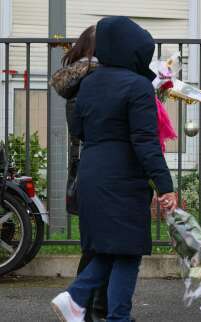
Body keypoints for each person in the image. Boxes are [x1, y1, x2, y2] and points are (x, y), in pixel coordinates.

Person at [50, 16, 177, 322]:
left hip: (91, 173)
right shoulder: (138, 87)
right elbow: (145, 142)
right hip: (122, 178)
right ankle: (88, 301)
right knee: (127, 252)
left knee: (112, 250)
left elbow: (79, 128)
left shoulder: (88, 83)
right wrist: (165, 185)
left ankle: (81, 300)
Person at [50, 25, 110, 322]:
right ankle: (84, 306)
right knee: (99, 246)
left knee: (95, 244)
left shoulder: (79, 81)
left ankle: (92, 308)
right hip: (97, 170)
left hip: (84, 171)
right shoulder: (93, 81)